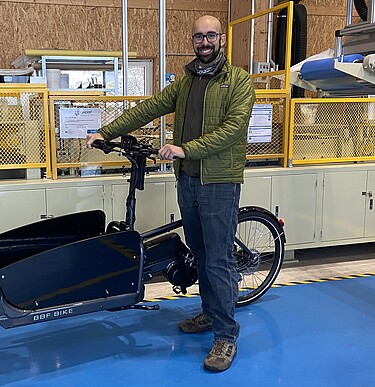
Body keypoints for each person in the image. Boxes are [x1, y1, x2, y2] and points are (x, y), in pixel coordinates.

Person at [86, 15, 255, 372]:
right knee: (201, 252)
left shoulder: (238, 81)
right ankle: (209, 314)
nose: (205, 42)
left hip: (219, 181)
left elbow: (232, 129)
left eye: (211, 35)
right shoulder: (187, 80)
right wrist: (104, 130)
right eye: (199, 36)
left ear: (221, 39)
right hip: (189, 181)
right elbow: (150, 107)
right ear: (192, 40)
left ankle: (226, 335)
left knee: (219, 260)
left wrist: (184, 149)